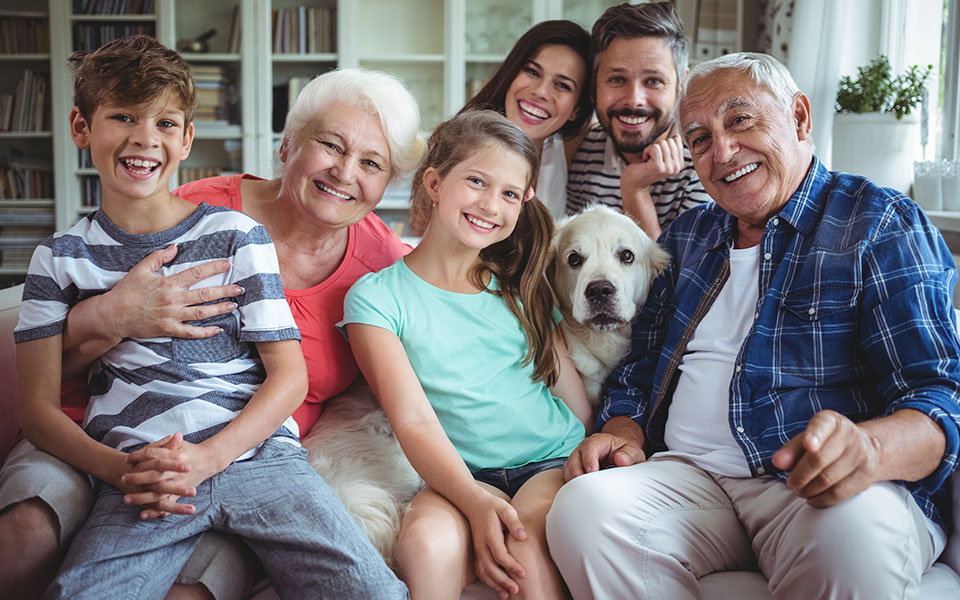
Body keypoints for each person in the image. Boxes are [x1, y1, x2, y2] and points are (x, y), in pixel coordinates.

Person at [0, 43, 421, 599]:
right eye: (330, 146)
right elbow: (39, 399)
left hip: (256, 454)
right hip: (133, 455)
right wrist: (113, 320)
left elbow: (296, 376)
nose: (346, 172)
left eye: (371, 162)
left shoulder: (246, 236)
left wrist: (211, 456)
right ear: (288, 145)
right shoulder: (75, 250)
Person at [546, 52, 960, 600]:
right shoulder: (688, 238)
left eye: (740, 121)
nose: (722, 152)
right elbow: (639, 366)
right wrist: (622, 429)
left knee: (852, 538)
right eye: (699, 139)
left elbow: (940, 394)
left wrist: (870, 448)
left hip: (822, 486)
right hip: (690, 479)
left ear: (800, 118)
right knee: (583, 510)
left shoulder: (879, 224)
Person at [343, 110, 591, 600]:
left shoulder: (520, 289)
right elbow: (412, 420)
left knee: (520, 546)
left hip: (547, 460)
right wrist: (475, 501)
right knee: (423, 547)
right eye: (476, 181)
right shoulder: (375, 298)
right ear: (434, 183)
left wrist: (587, 446)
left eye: (508, 193)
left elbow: (574, 400)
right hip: (458, 473)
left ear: (525, 203)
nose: (489, 204)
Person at [565, 1, 711, 239]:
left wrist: (636, 190)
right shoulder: (582, 152)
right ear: (593, 87)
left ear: (681, 87)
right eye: (617, 79)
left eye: (653, 80)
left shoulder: (705, 163)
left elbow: (677, 276)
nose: (634, 100)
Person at [456, 19, 591, 220]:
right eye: (532, 72)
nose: (540, 92)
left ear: (576, 110)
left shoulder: (568, 149)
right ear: (511, 73)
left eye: (562, 85)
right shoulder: (460, 145)